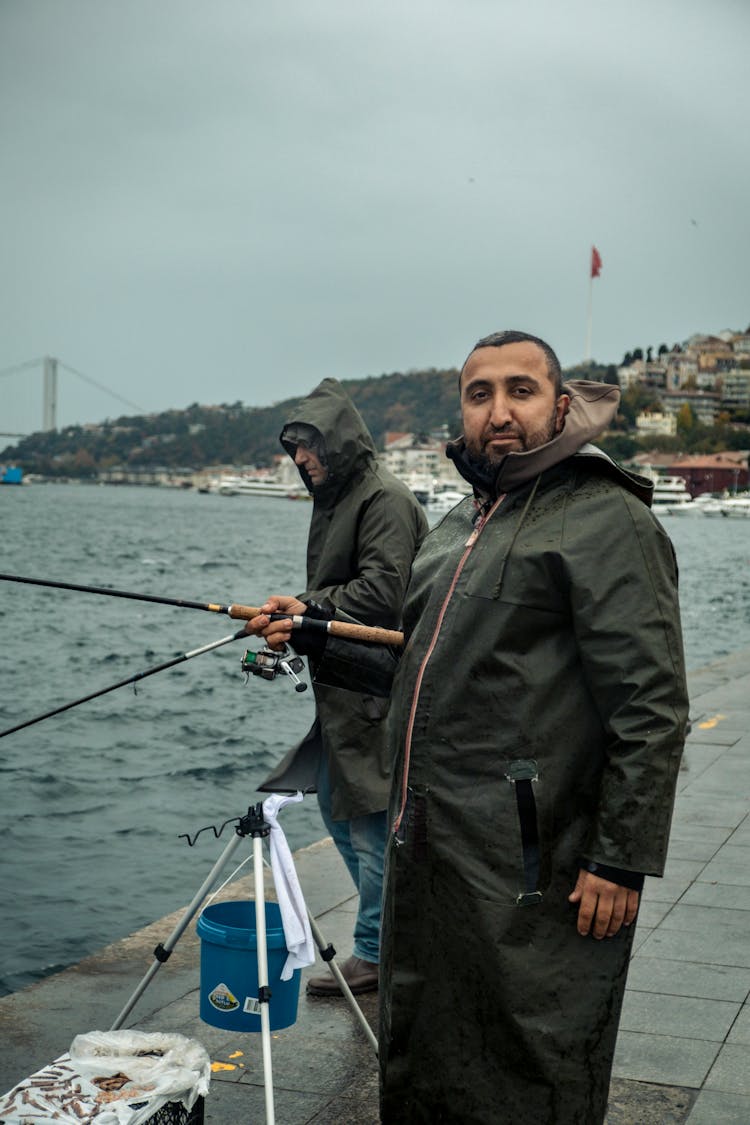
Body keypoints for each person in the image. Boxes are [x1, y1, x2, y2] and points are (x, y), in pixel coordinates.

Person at [251, 332, 689, 1123]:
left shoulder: (606, 518)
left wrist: (620, 859)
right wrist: (314, 625)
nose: (499, 411)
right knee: (431, 1051)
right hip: (431, 846)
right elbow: (417, 661)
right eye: (479, 393)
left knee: (529, 1056)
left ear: (560, 404)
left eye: (520, 390)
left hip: (533, 861)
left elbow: (652, 706)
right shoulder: (459, 523)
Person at [251, 376, 428, 997]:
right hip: (343, 691)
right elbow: (338, 604)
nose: (299, 459)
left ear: (340, 441)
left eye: (307, 446)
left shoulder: (384, 499)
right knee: (335, 805)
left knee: (371, 825)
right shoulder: (336, 500)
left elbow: (383, 594)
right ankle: (399, 935)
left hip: (378, 694)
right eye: (293, 448)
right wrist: (296, 622)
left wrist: (300, 608)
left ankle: (377, 952)